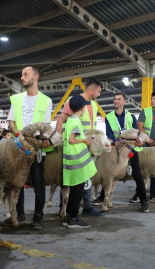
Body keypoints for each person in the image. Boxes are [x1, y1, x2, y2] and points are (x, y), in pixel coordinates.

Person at [7, 66, 52, 230]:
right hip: (18, 147)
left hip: (37, 149)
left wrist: (40, 140)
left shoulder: (46, 100)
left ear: (36, 77)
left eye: (25, 74)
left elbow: (45, 126)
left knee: (39, 183)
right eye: (21, 74)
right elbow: (11, 121)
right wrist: (17, 134)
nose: (22, 77)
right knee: (17, 183)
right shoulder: (16, 99)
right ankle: (19, 214)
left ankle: (38, 217)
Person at [56, 78, 104, 216]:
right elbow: (61, 119)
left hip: (87, 146)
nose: (99, 95)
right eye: (99, 92)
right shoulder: (73, 100)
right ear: (92, 90)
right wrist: (58, 139)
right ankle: (63, 207)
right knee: (70, 178)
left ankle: (87, 206)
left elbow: (92, 128)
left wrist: (95, 147)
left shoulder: (93, 105)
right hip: (75, 147)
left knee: (86, 176)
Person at [94, 93, 149, 212]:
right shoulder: (109, 117)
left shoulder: (131, 116)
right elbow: (108, 132)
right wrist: (114, 142)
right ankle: (103, 197)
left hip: (131, 150)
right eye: (114, 99)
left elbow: (136, 132)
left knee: (137, 175)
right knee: (109, 172)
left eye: (119, 99)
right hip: (116, 149)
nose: (116, 101)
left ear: (124, 102)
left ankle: (144, 201)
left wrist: (139, 142)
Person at [62, 95, 97, 228]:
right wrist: (85, 140)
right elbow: (72, 139)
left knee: (75, 191)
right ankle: (74, 218)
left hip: (72, 162)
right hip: (77, 162)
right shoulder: (76, 122)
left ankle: (69, 217)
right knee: (77, 192)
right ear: (82, 109)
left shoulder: (70, 120)